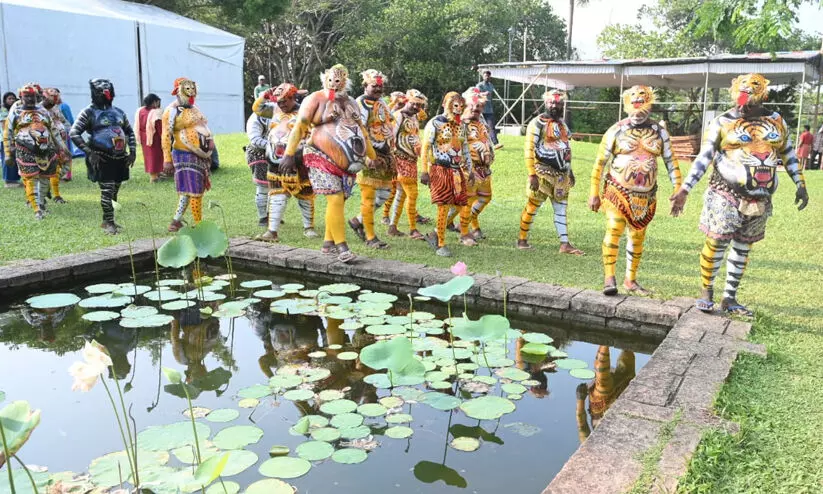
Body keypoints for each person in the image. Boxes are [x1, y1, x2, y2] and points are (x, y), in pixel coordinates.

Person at [670, 74, 808, 317]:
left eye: (750, 101)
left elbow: (788, 153)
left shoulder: (776, 122)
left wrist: (800, 183)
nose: (743, 105)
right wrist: (685, 189)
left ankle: (730, 297)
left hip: (761, 197)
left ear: (762, 97)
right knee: (717, 242)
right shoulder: (722, 122)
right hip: (725, 193)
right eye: (741, 99)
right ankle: (707, 292)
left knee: (743, 246)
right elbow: (704, 157)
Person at [589, 85, 682, 296]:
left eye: (643, 103)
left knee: (638, 235)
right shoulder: (615, 130)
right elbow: (600, 162)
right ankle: (609, 277)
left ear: (650, 105)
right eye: (634, 104)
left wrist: (678, 188)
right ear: (627, 105)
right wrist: (594, 192)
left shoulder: (659, 132)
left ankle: (630, 280)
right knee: (614, 229)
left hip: (646, 196)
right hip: (617, 191)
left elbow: (671, 161)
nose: (638, 111)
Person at [280, 64, 375, 263]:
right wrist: (289, 153)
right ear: (325, 79)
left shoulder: (350, 102)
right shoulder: (314, 98)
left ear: (345, 81)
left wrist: (371, 155)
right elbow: (300, 126)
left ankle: (327, 243)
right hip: (319, 154)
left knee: (338, 201)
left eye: (338, 80)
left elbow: (362, 130)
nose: (334, 84)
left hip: (348, 162)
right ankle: (342, 247)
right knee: (335, 199)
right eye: (331, 80)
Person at [518, 90, 583, 255]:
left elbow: (566, 149)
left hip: (561, 176)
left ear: (562, 105)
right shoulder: (537, 123)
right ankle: (522, 240)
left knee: (561, 209)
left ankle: (565, 244)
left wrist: (570, 171)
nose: (554, 105)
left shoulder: (563, 125)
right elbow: (529, 149)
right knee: (533, 206)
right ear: (546, 103)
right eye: (551, 103)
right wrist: (531, 174)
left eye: (558, 103)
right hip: (541, 173)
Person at [70, 79, 136, 234]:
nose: (106, 93)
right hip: (101, 157)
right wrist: (89, 151)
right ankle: (108, 222)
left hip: (120, 158)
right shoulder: (88, 112)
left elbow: (129, 131)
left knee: (115, 190)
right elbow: (74, 133)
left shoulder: (119, 112)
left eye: (108, 90)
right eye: (101, 91)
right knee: (107, 189)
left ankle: (109, 219)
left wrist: (132, 151)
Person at [254, 83, 317, 242]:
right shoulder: (274, 109)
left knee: (305, 195)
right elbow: (257, 108)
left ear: (293, 97)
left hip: (298, 161)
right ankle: (272, 231)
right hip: (275, 161)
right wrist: (266, 94)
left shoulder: (305, 112)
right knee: (276, 195)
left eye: (284, 101)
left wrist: (297, 154)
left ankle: (308, 227)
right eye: (278, 101)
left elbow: (311, 138)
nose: (280, 104)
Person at [348, 70, 396, 250]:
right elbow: (358, 131)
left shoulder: (382, 103)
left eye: (380, 86)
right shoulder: (360, 104)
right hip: (369, 155)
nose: (378, 89)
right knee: (368, 197)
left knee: (384, 194)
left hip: (385, 155)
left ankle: (358, 221)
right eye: (374, 86)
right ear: (365, 86)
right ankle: (370, 237)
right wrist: (373, 150)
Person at [420, 91, 472, 257]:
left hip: (456, 170)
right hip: (439, 169)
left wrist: (469, 169)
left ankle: (435, 232)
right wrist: (424, 171)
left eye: (461, 106)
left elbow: (465, 149)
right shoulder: (435, 123)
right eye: (455, 105)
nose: (458, 109)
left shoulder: (462, 126)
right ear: (445, 104)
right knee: (443, 205)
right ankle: (440, 243)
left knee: (460, 205)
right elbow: (425, 147)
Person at [6, 83, 67, 219]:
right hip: (25, 151)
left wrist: (62, 147)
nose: (30, 99)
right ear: (21, 97)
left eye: (32, 96)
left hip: (46, 151)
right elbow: (8, 132)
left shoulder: (43, 111)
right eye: (26, 96)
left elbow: (53, 130)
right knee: (31, 179)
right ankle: (37, 209)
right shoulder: (16, 111)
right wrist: (8, 153)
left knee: (45, 179)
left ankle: (42, 203)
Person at [162, 77, 214, 231]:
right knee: (194, 190)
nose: (191, 92)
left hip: (198, 155)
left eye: (193, 89)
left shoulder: (193, 108)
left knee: (188, 189)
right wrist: (167, 159)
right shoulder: (171, 110)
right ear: (179, 90)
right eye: (187, 89)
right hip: (184, 154)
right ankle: (199, 225)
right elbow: (165, 135)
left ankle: (176, 221)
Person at [387, 89, 428, 240]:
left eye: (419, 105)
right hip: (401, 159)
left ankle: (392, 227)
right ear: (407, 101)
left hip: (412, 160)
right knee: (412, 194)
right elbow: (391, 138)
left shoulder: (414, 116)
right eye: (414, 104)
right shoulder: (398, 116)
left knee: (401, 194)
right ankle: (412, 229)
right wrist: (392, 159)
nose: (416, 107)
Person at [458, 86, 495, 244]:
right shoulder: (460, 123)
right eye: (472, 106)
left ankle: (468, 224)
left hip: (484, 169)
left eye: (479, 106)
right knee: (468, 200)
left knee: (485, 198)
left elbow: (488, 140)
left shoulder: (482, 122)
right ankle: (464, 233)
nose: (475, 109)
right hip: (468, 168)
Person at [245, 94, 272, 227]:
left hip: (274, 155)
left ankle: (271, 214)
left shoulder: (276, 113)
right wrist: (276, 145)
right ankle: (263, 217)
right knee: (263, 187)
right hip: (258, 155)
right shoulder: (255, 119)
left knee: (275, 187)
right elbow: (255, 140)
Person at [41, 88, 70, 202]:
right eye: (52, 99)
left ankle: (48, 187)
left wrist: (69, 129)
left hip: (60, 142)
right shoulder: (39, 110)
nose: (54, 102)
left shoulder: (55, 108)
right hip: (47, 144)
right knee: (53, 168)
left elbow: (64, 121)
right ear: (44, 97)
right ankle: (56, 196)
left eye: (55, 99)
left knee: (66, 164)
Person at [136, 93, 164, 183]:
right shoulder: (156, 112)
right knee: (155, 156)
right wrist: (163, 136)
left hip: (144, 136)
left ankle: (157, 173)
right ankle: (154, 177)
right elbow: (159, 126)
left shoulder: (140, 111)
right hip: (154, 137)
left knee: (149, 156)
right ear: (154, 102)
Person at [476, 70, 502, 150]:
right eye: (485, 75)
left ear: (490, 77)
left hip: (489, 110)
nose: (486, 77)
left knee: (491, 127)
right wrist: (483, 94)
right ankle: (477, 143)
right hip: (480, 110)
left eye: (488, 76)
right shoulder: (479, 85)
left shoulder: (491, 85)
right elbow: (475, 94)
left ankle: (495, 143)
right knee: (479, 128)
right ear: (482, 76)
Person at [1, 91, 22, 187]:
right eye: (9, 98)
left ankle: (14, 180)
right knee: (8, 158)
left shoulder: (15, 109)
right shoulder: (4, 110)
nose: (12, 100)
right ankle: (9, 181)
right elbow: (4, 125)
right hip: (5, 139)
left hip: (14, 138)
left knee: (14, 158)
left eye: (13, 98)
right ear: (5, 100)